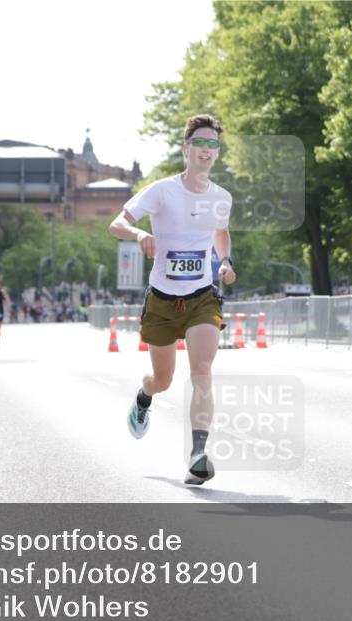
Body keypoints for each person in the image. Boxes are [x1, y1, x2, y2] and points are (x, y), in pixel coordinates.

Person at [108, 114, 235, 486]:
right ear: (186, 148)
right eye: (200, 142)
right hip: (163, 300)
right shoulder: (161, 191)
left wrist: (225, 261)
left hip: (201, 297)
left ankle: (198, 453)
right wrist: (138, 235)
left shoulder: (221, 198)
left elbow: (221, 233)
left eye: (213, 144)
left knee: (202, 370)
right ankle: (145, 396)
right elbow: (116, 223)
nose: (206, 150)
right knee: (163, 379)